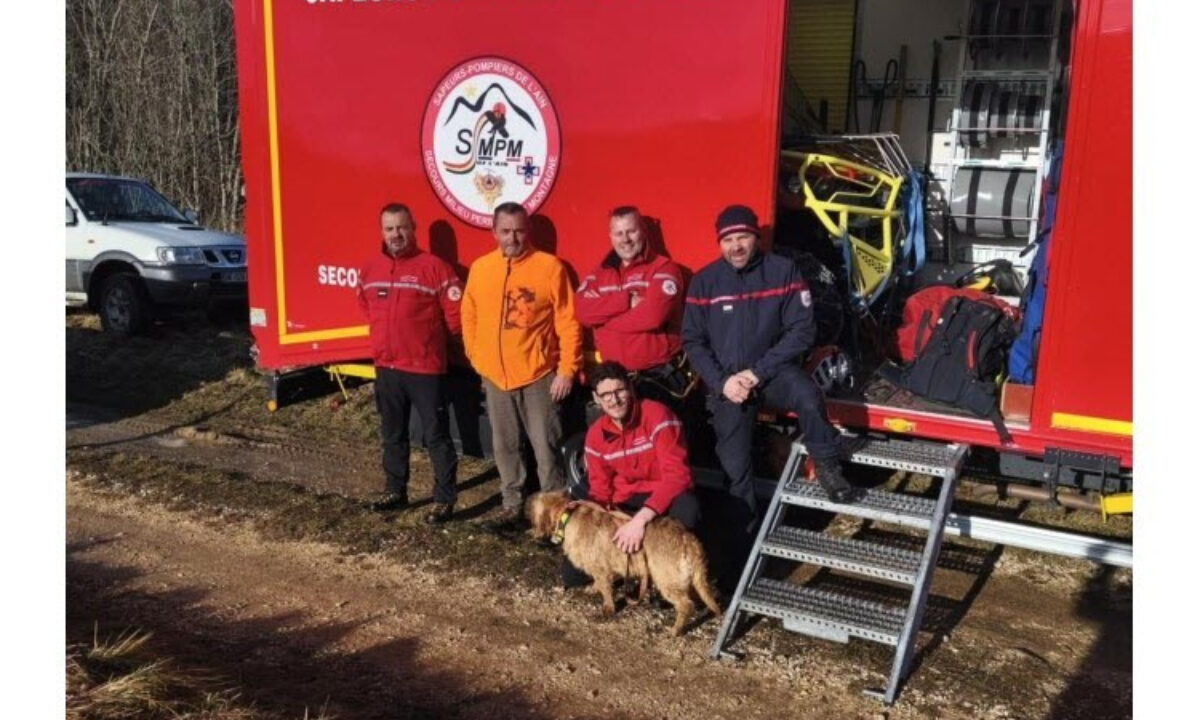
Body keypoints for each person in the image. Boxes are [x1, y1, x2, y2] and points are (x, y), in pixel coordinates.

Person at [681, 204, 858, 578]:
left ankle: (827, 467)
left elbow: (802, 330)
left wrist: (757, 372)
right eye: (728, 240)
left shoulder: (783, 271)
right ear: (720, 243)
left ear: (755, 238)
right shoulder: (705, 281)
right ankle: (741, 565)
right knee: (736, 473)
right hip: (728, 385)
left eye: (742, 237)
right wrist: (723, 382)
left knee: (809, 397)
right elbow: (693, 341)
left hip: (774, 373)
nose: (736, 246)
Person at [461, 202, 583, 528]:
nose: (512, 238)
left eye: (518, 231)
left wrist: (567, 370)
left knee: (546, 447)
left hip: (538, 375)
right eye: (505, 231)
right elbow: (468, 314)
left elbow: (568, 323)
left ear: (527, 231)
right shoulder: (481, 268)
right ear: (494, 232)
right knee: (505, 447)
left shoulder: (549, 267)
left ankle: (557, 516)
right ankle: (512, 507)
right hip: (496, 376)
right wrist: (476, 357)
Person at [356, 203, 462, 524]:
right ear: (382, 232)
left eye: (402, 227)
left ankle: (444, 499)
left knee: (436, 436)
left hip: (425, 368)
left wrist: (428, 342)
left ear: (413, 227)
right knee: (392, 433)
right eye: (389, 229)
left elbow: (456, 319)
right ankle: (395, 490)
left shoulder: (434, 267)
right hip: (387, 366)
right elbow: (364, 304)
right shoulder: (371, 268)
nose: (396, 235)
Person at [561, 361, 699, 588]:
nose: (613, 400)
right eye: (605, 395)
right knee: (572, 575)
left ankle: (668, 575)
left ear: (630, 389)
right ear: (596, 398)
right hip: (625, 501)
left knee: (688, 507)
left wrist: (641, 520)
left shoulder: (657, 415)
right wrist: (592, 515)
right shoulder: (596, 435)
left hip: (663, 495)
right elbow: (600, 489)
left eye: (619, 391)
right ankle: (627, 566)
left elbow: (678, 476)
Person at [574, 207, 689, 411]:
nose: (625, 239)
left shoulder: (664, 269)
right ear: (611, 236)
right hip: (616, 383)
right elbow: (582, 312)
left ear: (643, 231)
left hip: (658, 379)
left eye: (631, 231)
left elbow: (652, 317)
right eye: (619, 233)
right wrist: (625, 300)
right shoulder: (599, 274)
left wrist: (602, 321)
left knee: (665, 440)